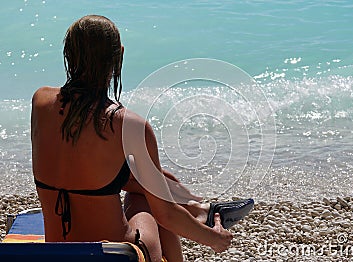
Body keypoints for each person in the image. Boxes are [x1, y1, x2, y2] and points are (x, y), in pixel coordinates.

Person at [31, 15, 253, 262]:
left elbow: (82, 166)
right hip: (114, 255)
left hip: (56, 254)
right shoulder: (128, 124)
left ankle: (199, 210)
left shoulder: (41, 102)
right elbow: (166, 214)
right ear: (119, 56)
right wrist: (214, 239)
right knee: (146, 196)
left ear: (68, 53)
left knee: (146, 181)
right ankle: (199, 215)